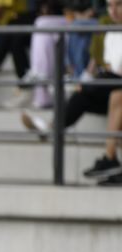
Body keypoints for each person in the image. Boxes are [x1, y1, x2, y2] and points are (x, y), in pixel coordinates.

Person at [22, 0, 122, 184]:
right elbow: (103, 62)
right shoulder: (109, 29)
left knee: (111, 89)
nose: (113, 11)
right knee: (84, 95)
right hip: (113, 87)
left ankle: (54, 129)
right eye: (109, 6)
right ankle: (109, 160)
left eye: (119, 5)